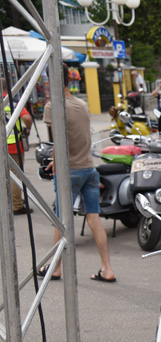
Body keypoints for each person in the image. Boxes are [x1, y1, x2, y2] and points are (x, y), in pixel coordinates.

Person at [40, 63, 116, 283]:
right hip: (89, 169)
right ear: (69, 80)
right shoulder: (82, 104)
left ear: (50, 79)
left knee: (61, 220)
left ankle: (55, 268)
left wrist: (55, 160)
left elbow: (58, 140)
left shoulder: (52, 106)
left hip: (70, 171)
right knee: (94, 218)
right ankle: (107, 268)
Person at [3, 77, 34, 215]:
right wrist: (27, 129)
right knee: (15, 174)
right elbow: (27, 118)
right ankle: (16, 205)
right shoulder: (13, 102)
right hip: (13, 144)